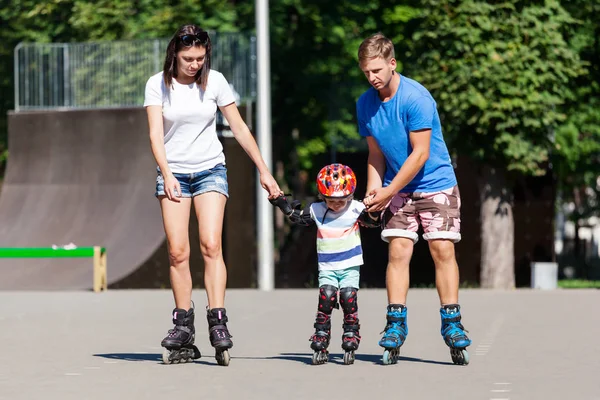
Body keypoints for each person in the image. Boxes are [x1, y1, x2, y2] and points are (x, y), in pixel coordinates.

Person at [144, 24, 282, 365]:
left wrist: (264, 171)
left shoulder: (216, 81)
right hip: (173, 172)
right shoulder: (158, 85)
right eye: (188, 58)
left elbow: (239, 126)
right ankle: (182, 325)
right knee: (178, 251)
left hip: (210, 170)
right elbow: (154, 136)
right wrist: (167, 172)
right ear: (174, 54)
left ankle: (217, 320)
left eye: (200, 58)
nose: (194, 64)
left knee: (210, 244)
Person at [355, 33, 471, 365]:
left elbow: (419, 155)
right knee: (398, 250)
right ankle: (395, 324)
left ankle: (452, 323)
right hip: (396, 186)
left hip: (435, 183)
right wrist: (373, 194)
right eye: (366, 72)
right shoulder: (365, 103)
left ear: (392, 63)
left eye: (377, 70)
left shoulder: (416, 97)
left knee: (442, 248)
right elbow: (375, 154)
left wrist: (389, 191)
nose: (373, 78)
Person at [270, 163, 380, 365]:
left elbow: (373, 221)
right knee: (326, 298)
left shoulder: (356, 208)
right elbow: (298, 218)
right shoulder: (317, 209)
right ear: (322, 196)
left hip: (350, 264)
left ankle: (351, 333)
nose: (337, 205)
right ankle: (321, 335)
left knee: (348, 298)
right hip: (327, 266)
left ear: (350, 195)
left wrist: (377, 206)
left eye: (342, 200)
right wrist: (282, 204)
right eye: (331, 201)